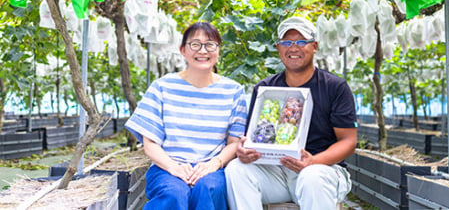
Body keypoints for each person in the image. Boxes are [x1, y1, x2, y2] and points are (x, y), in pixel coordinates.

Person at [225, 16, 358, 210]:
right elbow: (253, 135)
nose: (293, 48)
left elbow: (348, 141)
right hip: (276, 173)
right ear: (278, 48)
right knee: (236, 170)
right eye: (286, 42)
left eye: (301, 41)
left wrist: (313, 161)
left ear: (314, 46)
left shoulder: (334, 87)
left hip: (323, 171)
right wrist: (245, 151)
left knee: (312, 177)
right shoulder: (265, 89)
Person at [125, 22, 248, 210]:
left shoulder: (233, 91)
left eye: (210, 44)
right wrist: (174, 167)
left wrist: (213, 164)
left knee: (209, 188)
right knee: (174, 192)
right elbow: (150, 143)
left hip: (212, 169)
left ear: (218, 50)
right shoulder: (162, 87)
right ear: (183, 50)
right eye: (195, 44)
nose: (203, 50)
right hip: (167, 168)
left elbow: (234, 143)